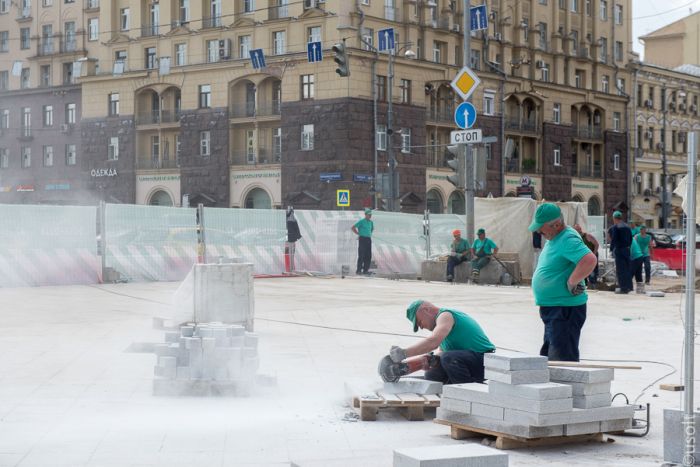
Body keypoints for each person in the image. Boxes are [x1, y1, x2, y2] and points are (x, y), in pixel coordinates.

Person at [529, 203, 597, 362]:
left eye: (542, 228)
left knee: (561, 359)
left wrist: (573, 281)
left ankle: (564, 387)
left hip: (564, 309)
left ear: (557, 225)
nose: (539, 231)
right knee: (550, 357)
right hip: (555, 307)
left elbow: (589, 259)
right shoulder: (557, 236)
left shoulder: (566, 238)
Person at [388, 300, 496, 384]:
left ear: (426, 310)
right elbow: (439, 354)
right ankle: (449, 394)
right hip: (468, 361)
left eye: (419, 322)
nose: (421, 327)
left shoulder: (445, 316)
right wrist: (409, 366)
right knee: (432, 373)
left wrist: (404, 353)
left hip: (484, 361)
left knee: (449, 358)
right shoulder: (442, 329)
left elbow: (432, 342)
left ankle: (467, 395)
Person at [608, 210, 633, 294]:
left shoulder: (616, 227)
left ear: (614, 218)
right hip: (627, 249)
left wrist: (611, 249)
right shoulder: (627, 226)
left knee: (620, 269)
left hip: (619, 250)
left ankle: (623, 288)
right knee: (627, 268)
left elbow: (614, 239)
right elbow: (631, 239)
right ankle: (629, 287)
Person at [351, 208, 374, 275]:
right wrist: (358, 233)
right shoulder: (361, 221)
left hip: (368, 239)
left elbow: (372, 229)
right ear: (365, 215)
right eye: (368, 215)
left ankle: (365, 270)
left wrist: (369, 234)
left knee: (368, 255)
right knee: (361, 255)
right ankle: (358, 270)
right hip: (362, 239)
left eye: (370, 215)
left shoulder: (371, 222)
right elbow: (353, 227)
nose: (370, 216)